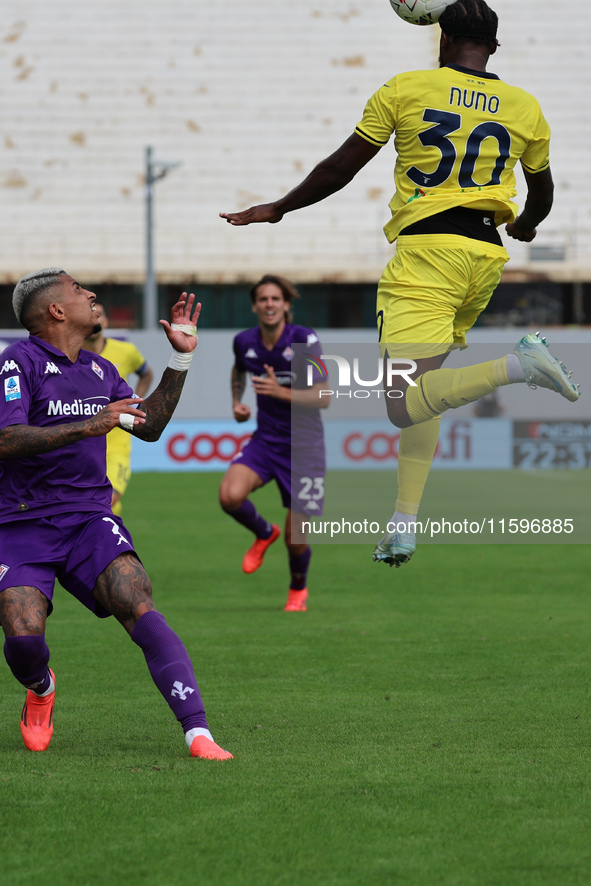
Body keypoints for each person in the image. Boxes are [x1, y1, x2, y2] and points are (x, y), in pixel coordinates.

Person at [220, 0, 579, 568]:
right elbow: (543, 191)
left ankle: (520, 365)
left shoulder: (407, 88)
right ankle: (404, 523)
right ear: (493, 47)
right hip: (485, 254)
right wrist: (528, 225)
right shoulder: (525, 106)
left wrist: (281, 208)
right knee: (424, 394)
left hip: (427, 258)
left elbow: (343, 166)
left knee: (402, 406)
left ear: (441, 36)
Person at [0, 268, 232, 760]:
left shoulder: (101, 370)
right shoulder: (17, 362)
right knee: (22, 640)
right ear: (57, 311)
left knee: (136, 597)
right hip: (20, 521)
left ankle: (198, 732)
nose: (92, 295)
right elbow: (6, 440)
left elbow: (148, 426)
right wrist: (89, 426)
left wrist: (181, 357)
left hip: (87, 517)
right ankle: (41, 688)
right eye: (79, 291)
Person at [218, 275, 328, 611]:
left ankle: (298, 588)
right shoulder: (244, 341)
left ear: (286, 305)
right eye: (263, 299)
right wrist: (237, 402)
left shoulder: (305, 340)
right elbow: (238, 371)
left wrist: (280, 391)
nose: (269, 304)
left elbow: (324, 396)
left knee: (297, 540)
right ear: (255, 305)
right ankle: (265, 532)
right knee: (229, 496)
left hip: (305, 448)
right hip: (265, 440)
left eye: (275, 299)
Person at [83, 304, 154, 515]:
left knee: (108, 499)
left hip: (117, 443)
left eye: (100, 314)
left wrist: (137, 404)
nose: (96, 317)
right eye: (90, 313)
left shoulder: (126, 351)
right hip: (84, 442)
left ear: (105, 321)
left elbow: (146, 374)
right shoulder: (71, 355)